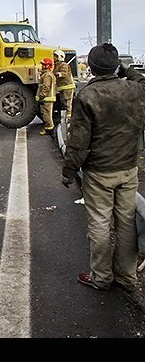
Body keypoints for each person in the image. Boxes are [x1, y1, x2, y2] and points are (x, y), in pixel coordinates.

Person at [61, 43, 145, 293]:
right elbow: (139, 78)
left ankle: (101, 277)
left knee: (99, 222)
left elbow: (78, 142)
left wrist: (68, 170)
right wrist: (125, 70)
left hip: (99, 171)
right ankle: (128, 278)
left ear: (92, 67)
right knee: (127, 222)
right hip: (129, 168)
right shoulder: (135, 89)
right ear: (116, 65)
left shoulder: (87, 96)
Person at [53, 49, 76, 120]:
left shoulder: (64, 65)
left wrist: (59, 74)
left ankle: (69, 116)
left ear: (60, 56)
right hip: (62, 87)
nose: (54, 58)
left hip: (67, 87)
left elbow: (64, 73)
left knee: (67, 101)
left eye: (55, 56)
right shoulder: (57, 65)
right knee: (63, 101)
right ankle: (66, 115)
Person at [35, 57, 56, 135]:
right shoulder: (46, 74)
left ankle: (49, 130)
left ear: (47, 66)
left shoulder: (47, 75)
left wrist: (42, 96)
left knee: (46, 115)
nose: (42, 66)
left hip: (47, 98)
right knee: (45, 114)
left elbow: (46, 87)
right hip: (47, 98)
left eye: (43, 64)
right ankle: (49, 128)